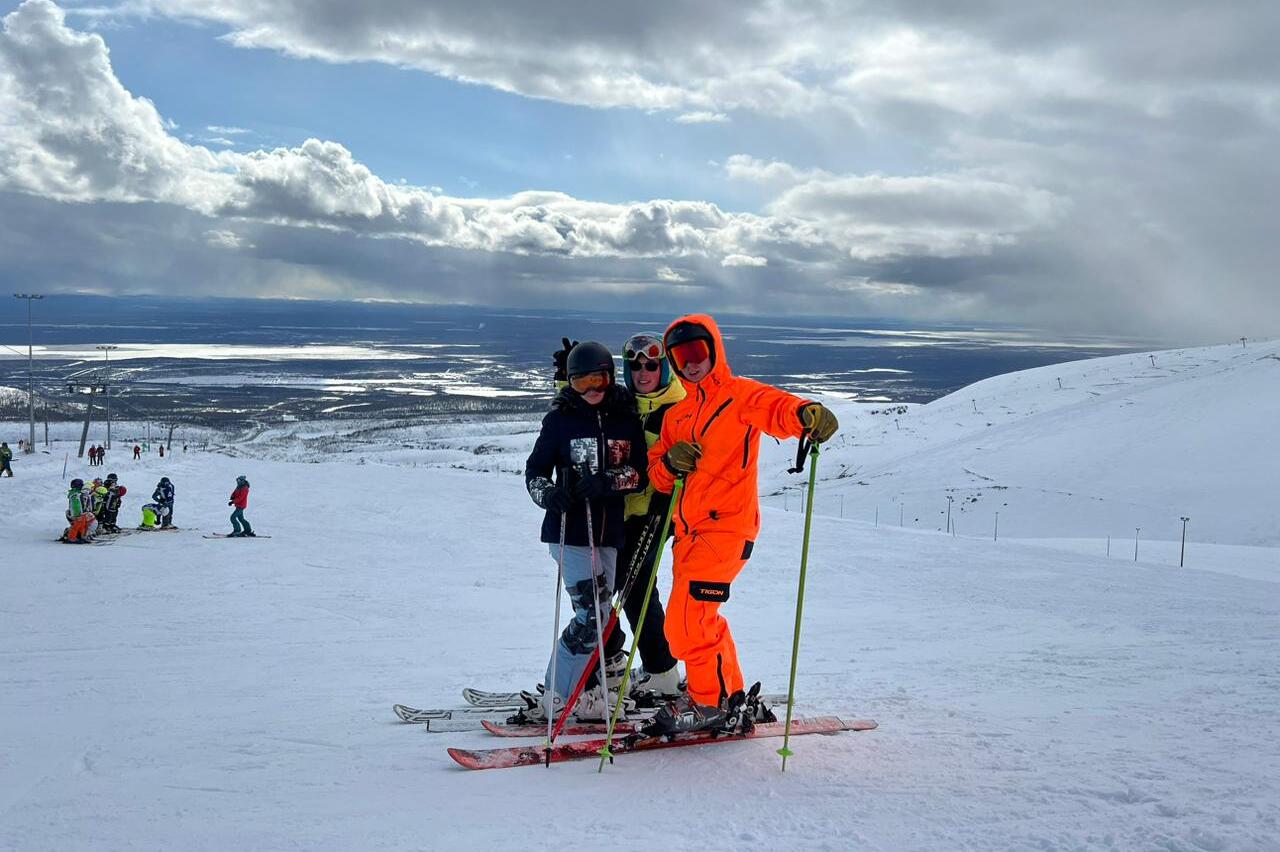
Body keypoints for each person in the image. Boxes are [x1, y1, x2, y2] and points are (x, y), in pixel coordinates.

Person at [645, 314, 839, 735]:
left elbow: (778, 408)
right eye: (681, 356)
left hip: (726, 529)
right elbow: (656, 473)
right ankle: (727, 695)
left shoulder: (739, 396)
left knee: (685, 623)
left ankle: (710, 704)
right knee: (697, 618)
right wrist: (670, 463)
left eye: (697, 352)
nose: (691, 363)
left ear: (713, 350)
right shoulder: (677, 415)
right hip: (688, 535)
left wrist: (807, 413)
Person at [520, 341, 649, 722]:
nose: (591, 390)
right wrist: (550, 495)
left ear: (610, 377)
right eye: (581, 382)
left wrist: (609, 482)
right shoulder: (561, 420)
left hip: (609, 533)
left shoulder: (626, 418)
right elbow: (535, 473)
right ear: (570, 384)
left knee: (603, 617)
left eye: (598, 379)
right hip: (571, 531)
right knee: (592, 616)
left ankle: (585, 690)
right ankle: (558, 694)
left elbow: (639, 473)